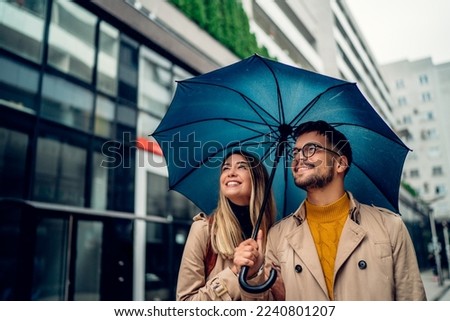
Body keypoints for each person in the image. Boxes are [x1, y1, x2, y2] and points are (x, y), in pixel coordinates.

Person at [234, 120, 427, 300]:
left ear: (340, 163)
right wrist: (253, 276)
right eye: (295, 152)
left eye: (311, 149)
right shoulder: (278, 235)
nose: (299, 157)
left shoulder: (390, 226)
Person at [176, 150, 276, 300]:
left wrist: (255, 277)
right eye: (226, 168)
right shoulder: (204, 230)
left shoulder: (276, 237)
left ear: (257, 179)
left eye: (241, 167)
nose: (231, 173)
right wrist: (235, 272)